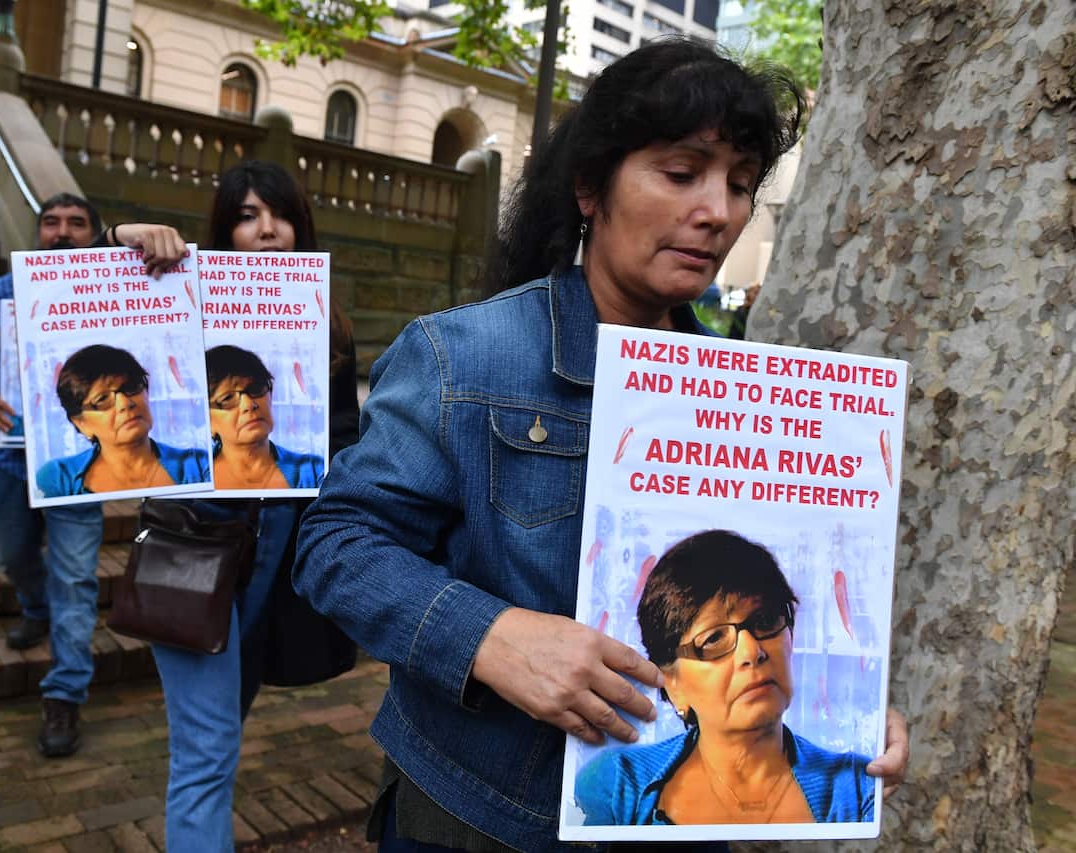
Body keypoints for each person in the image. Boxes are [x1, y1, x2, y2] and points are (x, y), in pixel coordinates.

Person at [293, 37, 909, 853]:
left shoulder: (751, 395)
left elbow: (767, 593)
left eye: (739, 185)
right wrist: (488, 634)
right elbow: (336, 543)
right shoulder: (462, 357)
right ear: (591, 186)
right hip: (477, 819)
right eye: (682, 173)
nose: (719, 211)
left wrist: (849, 704)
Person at [150, 161, 360, 853]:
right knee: (207, 754)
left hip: (274, 548)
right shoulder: (178, 292)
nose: (266, 228)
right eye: (246, 215)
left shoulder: (329, 323)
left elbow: (342, 441)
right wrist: (129, 237)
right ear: (223, 229)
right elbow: (88, 289)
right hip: (192, 547)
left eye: (279, 213)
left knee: (223, 728)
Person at [0, 192, 188, 757]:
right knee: (12, 553)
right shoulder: (5, 289)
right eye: (51, 222)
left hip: (77, 474)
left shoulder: (119, 289)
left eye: (76, 223)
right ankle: (34, 608)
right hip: (10, 455)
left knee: (77, 577)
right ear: (37, 232)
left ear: (94, 233)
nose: (62, 232)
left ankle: (65, 695)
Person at [575, 530, 873, 826]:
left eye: (766, 620)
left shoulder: (861, 787)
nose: (752, 651)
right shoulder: (616, 786)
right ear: (671, 682)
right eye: (714, 638)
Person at [36, 344, 210, 497]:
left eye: (131, 387)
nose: (125, 403)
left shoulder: (200, 466)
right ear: (81, 423)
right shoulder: (59, 478)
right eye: (102, 399)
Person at [206, 344, 325, 490]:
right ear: (207, 418)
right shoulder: (190, 475)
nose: (249, 404)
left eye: (256, 388)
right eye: (227, 398)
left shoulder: (313, 471)